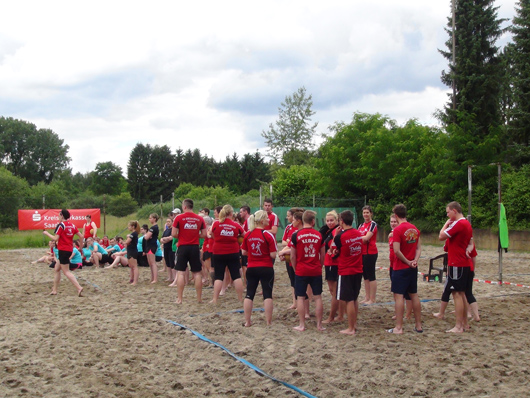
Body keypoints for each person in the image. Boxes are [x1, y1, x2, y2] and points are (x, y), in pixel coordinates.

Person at [438, 201, 474, 333]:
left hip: (457, 263)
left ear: (454, 211)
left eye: (448, 212)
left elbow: (441, 236)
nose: (447, 215)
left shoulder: (459, 223)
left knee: (457, 294)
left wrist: (445, 225)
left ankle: (459, 326)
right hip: (462, 262)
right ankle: (464, 323)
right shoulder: (466, 223)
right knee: (462, 294)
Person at [388, 204, 423, 334]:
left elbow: (396, 251)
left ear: (396, 216)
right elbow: (419, 248)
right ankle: (418, 325)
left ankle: (399, 327)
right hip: (412, 268)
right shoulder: (414, 228)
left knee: (399, 296)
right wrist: (415, 261)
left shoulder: (397, 230)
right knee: (414, 295)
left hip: (401, 267)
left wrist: (408, 261)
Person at [290, 210, 326, 332]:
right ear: (312, 221)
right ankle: (319, 325)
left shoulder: (296, 235)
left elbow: (293, 256)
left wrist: (295, 268)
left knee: (300, 297)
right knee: (318, 297)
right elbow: (322, 255)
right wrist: (319, 266)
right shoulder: (319, 235)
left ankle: (302, 325)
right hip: (315, 269)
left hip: (301, 270)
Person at [241, 210, 278, 327]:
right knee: (267, 294)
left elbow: (244, 252)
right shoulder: (268, 235)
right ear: (262, 221)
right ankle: (268, 322)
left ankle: (247, 321)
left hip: (251, 267)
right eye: (267, 218)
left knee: (249, 294)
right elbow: (273, 255)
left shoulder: (248, 234)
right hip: (266, 267)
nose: (268, 220)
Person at [332, 210, 363, 335]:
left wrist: (337, 234)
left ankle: (351, 328)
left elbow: (333, 249)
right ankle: (354, 324)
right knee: (354, 298)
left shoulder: (341, 236)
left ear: (341, 221)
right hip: (358, 269)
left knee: (349, 300)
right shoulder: (358, 233)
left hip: (346, 270)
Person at [172, 198, 207, 304]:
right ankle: (199, 299)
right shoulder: (199, 219)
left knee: (181, 273)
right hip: (194, 247)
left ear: (184, 206)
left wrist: (182, 235)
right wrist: (195, 235)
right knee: (197, 273)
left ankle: (180, 298)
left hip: (183, 246)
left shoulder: (179, 218)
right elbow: (204, 235)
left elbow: (173, 234)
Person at [42, 209, 84, 296]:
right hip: (69, 249)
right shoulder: (72, 225)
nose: (58, 217)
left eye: (58, 215)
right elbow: (81, 236)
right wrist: (80, 247)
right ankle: (54, 290)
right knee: (57, 269)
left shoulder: (61, 225)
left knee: (66, 272)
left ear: (62, 215)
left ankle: (79, 288)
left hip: (63, 250)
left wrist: (46, 233)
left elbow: (55, 238)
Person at [210, 205, 245, 304]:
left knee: (219, 276)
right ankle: (240, 299)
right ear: (231, 213)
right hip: (232, 252)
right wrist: (237, 237)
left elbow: (212, 235)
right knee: (236, 276)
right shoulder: (236, 225)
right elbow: (245, 235)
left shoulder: (216, 223)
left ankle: (215, 299)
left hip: (218, 252)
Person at [389, 214, 412, 320]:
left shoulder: (399, 233)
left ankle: (408, 314)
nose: (393, 223)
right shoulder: (391, 235)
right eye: (391, 222)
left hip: (401, 265)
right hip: (392, 265)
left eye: (395, 221)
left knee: (407, 293)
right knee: (396, 292)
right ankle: (399, 313)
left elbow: (399, 250)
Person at [322, 210, 344, 324]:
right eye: (328, 220)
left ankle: (335, 316)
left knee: (335, 291)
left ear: (337, 220)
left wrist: (332, 250)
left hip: (333, 263)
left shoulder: (337, 231)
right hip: (329, 262)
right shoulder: (329, 231)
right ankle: (339, 313)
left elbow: (334, 246)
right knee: (333, 290)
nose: (329, 222)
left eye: (332, 220)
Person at [358, 205, 378, 304]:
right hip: (362, 253)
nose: (365, 214)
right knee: (365, 276)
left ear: (371, 213)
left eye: (367, 212)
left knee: (371, 276)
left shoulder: (373, 224)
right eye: (364, 212)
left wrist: (360, 237)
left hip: (371, 252)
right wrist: (361, 238)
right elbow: (359, 237)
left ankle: (372, 298)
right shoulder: (361, 225)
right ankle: (367, 297)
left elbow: (366, 238)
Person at [143, 213, 160, 284]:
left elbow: (146, 237)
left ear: (154, 219)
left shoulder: (154, 228)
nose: (149, 219)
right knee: (150, 263)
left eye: (151, 218)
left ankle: (155, 278)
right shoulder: (153, 228)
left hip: (151, 246)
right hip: (149, 245)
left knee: (152, 263)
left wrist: (146, 235)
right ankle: (152, 277)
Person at [160, 218, 176, 283]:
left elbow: (171, 238)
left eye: (169, 221)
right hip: (165, 248)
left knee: (172, 263)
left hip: (171, 248)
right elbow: (161, 238)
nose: (168, 223)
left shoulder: (173, 230)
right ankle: (170, 277)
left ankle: (174, 278)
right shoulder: (166, 230)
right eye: (167, 221)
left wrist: (165, 239)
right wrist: (163, 240)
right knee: (168, 263)